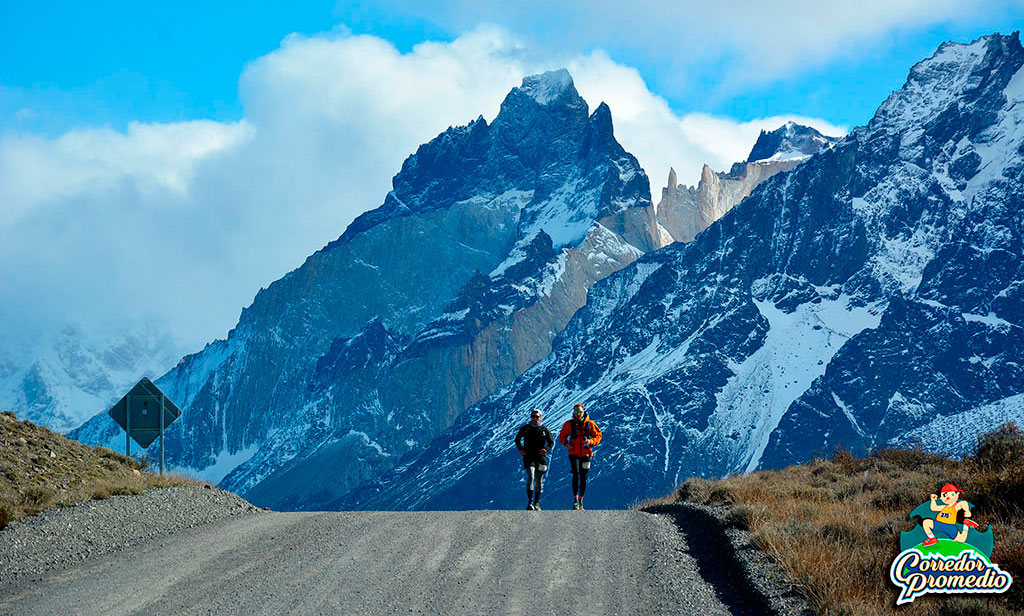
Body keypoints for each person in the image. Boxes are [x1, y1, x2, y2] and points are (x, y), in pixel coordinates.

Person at [559, 403, 602, 510]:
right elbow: (562, 435)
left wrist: (591, 441)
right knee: (576, 475)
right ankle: (575, 500)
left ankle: (581, 501)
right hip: (573, 454)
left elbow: (598, 435)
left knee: (583, 477)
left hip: (587, 454)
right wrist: (566, 444)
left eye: (580, 412)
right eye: (576, 412)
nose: (578, 414)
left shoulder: (590, 424)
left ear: (584, 412)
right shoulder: (569, 424)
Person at [515, 408, 554, 510]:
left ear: (540, 418)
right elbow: (517, 439)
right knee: (531, 476)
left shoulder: (544, 430)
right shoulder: (525, 428)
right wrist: (521, 449)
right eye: (533, 416)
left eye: (537, 417)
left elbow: (551, 442)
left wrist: (546, 449)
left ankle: (536, 502)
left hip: (541, 458)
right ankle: (530, 502)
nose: (534, 419)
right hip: (528, 456)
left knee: (539, 480)